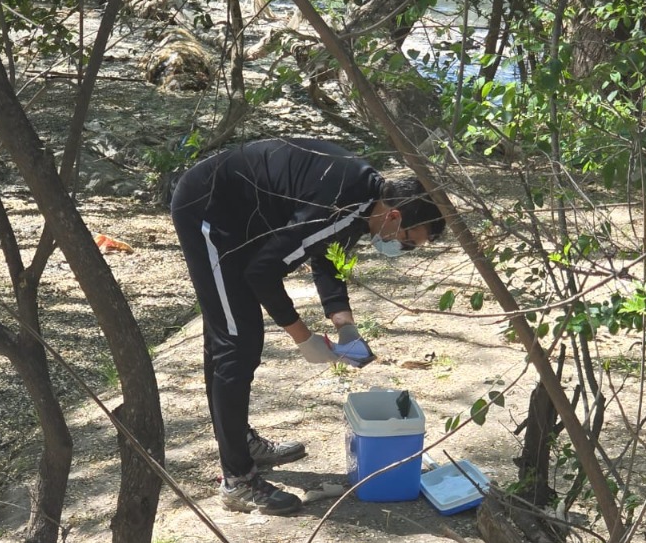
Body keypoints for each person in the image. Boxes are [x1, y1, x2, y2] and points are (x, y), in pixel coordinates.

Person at [170, 135, 445, 516]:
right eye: (408, 242)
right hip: (210, 209)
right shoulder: (345, 205)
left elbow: (325, 256)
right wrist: (303, 338)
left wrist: (345, 326)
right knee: (237, 339)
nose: (401, 247)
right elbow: (262, 272)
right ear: (395, 215)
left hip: (248, 216)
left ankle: (239, 441)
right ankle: (237, 480)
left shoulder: (363, 199)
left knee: (234, 332)